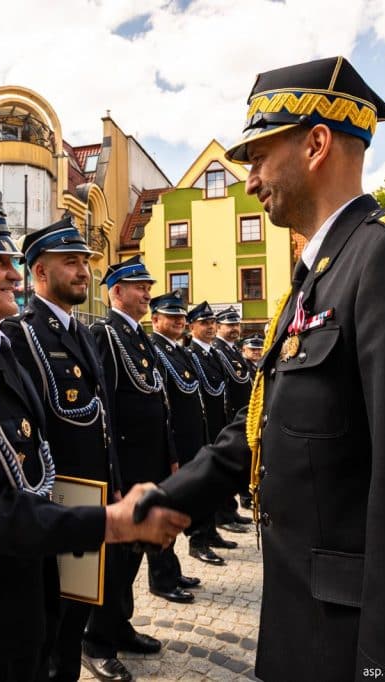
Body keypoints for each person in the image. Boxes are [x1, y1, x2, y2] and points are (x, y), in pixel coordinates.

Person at [134, 57, 385, 679]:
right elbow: (265, 423)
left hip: (368, 644)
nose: (249, 179)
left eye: (257, 156)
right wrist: (165, 499)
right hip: (308, 628)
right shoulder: (321, 274)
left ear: (315, 143)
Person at [0, 193, 189, 681]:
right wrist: (109, 523)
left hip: (24, 599)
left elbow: (40, 464)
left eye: (13, 260)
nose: (14, 273)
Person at [0, 216, 127, 681]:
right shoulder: (24, 334)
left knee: (74, 617)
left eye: (86, 263)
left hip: (90, 499)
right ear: (38, 273)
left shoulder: (79, 332)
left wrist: (112, 484)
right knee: (51, 625)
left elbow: (103, 417)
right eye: (70, 262)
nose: (83, 271)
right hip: (58, 504)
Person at [82, 256, 183, 681]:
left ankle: (118, 624)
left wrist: (171, 455)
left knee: (134, 556)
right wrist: (115, 478)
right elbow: (104, 410)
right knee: (116, 559)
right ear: (116, 292)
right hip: (126, 469)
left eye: (148, 286)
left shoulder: (139, 338)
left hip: (151, 463)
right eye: (139, 286)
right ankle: (95, 641)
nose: (147, 292)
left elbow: (159, 404)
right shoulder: (104, 335)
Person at [150, 293, 226, 569]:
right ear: (155, 320)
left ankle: (202, 537)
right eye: (173, 316)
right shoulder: (155, 349)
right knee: (175, 502)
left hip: (195, 434)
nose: (180, 320)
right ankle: (193, 544)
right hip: (177, 439)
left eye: (182, 316)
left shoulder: (179, 350)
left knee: (200, 491)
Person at [190, 302, 250, 536]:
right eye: (205, 323)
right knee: (210, 478)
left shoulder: (215, 353)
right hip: (209, 424)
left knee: (223, 474)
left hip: (224, 419)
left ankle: (225, 513)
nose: (210, 327)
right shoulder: (194, 354)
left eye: (212, 323)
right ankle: (214, 523)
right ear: (192, 326)